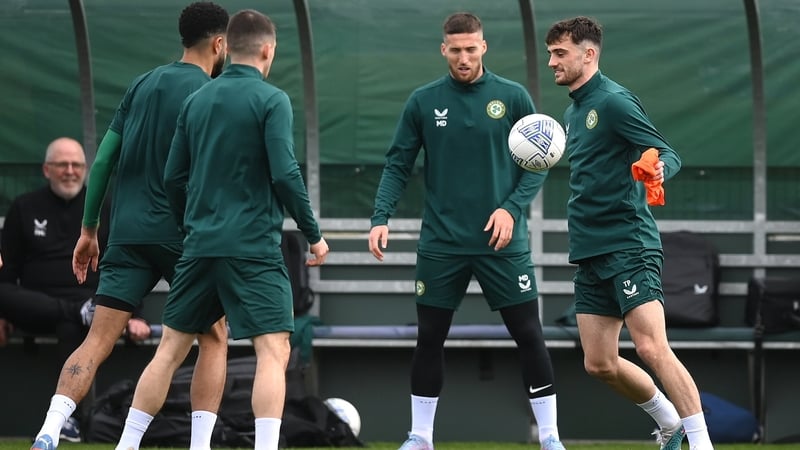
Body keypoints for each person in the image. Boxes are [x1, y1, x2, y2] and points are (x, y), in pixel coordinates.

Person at [114, 9, 329, 450]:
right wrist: (313, 232)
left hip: (198, 247)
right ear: (268, 49)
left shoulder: (197, 100)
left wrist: (189, 224)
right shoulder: (272, 100)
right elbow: (285, 174)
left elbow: (174, 178)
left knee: (171, 349)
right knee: (273, 350)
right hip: (252, 248)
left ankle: (126, 445)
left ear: (226, 47)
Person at [29, 3, 230, 450]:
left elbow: (101, 161)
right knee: (213, 335)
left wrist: (88, 230)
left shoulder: (142, 84)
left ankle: (49, 429)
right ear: (219, 44)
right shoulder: (212, 92)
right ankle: (200, 445)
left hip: (127, 233)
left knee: (98, 339)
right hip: (184, 236)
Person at [368, 12, 565, 450]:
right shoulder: (423, 101)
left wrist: (511, 209)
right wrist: (380, 216)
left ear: (484, 47)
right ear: (443, 49)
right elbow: (398, 163)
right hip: (442, 243)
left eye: (470, 48)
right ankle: (420, 437)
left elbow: (540, 165)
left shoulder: (512, 97)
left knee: (529, 334)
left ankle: (550, 438)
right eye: (455, 49)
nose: (463, 57)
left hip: (502, 242)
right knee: (429, 338)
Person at [544, 16, 714, 450]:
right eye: (550, 53)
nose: (551, 62)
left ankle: (702, 444)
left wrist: (656, 167)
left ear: (589, 54)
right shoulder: (572, 110)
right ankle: (670, 425)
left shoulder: (615, 102)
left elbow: (667, 152)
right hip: (589, 252)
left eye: (559, 53)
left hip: (628, 246)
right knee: (599, 363)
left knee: (653, 348)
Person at [0, 137, 122, 442]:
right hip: (36, 305)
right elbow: (8, 271)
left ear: (85, 170)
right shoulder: (24, 207)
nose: (70, 171)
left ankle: (66, 423)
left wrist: (132, 313)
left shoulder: (103, 208)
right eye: (62, 164)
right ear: (46, 169)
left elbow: (124, 265)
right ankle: (76, 313)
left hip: (91, 304)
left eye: (77, 165)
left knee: (72, 323)